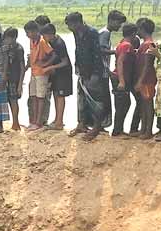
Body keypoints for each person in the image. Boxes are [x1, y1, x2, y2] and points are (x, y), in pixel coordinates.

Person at [65, 12, 109, 141]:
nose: (69, 28)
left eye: (70, 25)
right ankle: (82, 124)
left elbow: (96, 54)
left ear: (77, 23)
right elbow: (78, 50)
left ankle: (96, 127)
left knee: (95, 100)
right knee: (82, 98)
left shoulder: (92, 32)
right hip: (82, 69)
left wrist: (92, 73)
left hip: (94, 71)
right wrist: (77, 67)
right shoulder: (76, 32)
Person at [42, 24, 72, 131]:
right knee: (56, 94)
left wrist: (50, 66)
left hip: (63, 72)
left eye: (44, 35)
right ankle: (57, 119)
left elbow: (65, 62)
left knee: (60, 96)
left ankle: (59, 122)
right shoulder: (52, 41)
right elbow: (54, 55)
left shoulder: (59, 43)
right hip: (56, 72)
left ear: (50, 34)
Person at [27, 21, 55, 131]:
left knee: (40, 98)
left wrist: (46, 65)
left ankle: (39, 122)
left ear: (35, 31)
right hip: (33, 72)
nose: (27, 35)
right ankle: (33, 121)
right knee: (33, 97)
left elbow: (53, 54)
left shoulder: (43, 41)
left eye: (28, 32)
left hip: (41, 74)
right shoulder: (32, 41)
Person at [112, 23, 140, 137]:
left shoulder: (123, 44)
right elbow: (120, 62)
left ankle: (119, 129)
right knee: (122, 105)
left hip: (121, 77)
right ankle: (117, 131)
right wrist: (122, 81)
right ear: (133, 33)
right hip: (120, 78)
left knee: (124, 104)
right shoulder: (126, 45)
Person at [133, 19, 158, 139]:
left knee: (148, 104)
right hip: (145, 78)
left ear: (142, 29)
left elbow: (147, 65)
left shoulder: (148, 44)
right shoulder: (147, 44)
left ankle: (148, 131)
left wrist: (140, 81)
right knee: (143, 104)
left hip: (147, 79)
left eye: (138, 29)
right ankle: (143, 129)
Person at [1, 28, 26, 131]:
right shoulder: (7, 48)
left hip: (14, 78)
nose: (6, 40)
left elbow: (22, 67)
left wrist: (20, 85)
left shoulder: (19, 49)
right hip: (8, 77)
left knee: (13, 100)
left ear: (14, 38)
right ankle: (13, 122)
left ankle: (16, 123)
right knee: (8, 100)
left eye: (8, 38)